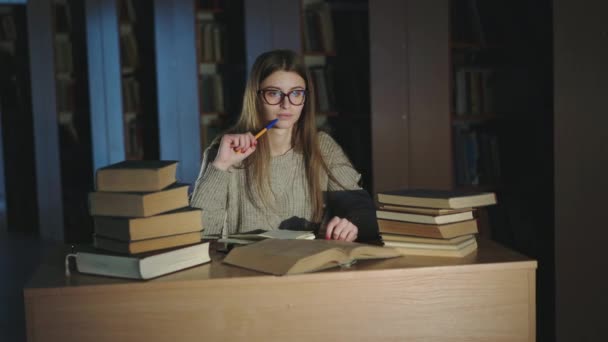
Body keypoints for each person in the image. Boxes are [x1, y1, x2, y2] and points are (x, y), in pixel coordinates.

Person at [190, 49, 379, 242]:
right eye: (274, 94)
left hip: (305, 266)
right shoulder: (227, 150)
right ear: (255, 97)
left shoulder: (322, 147)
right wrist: (220, 166)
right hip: (245, 267)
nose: (286, 104)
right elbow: (198, 235)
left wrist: (351, 224)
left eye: (296, 93)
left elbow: (361, 210)